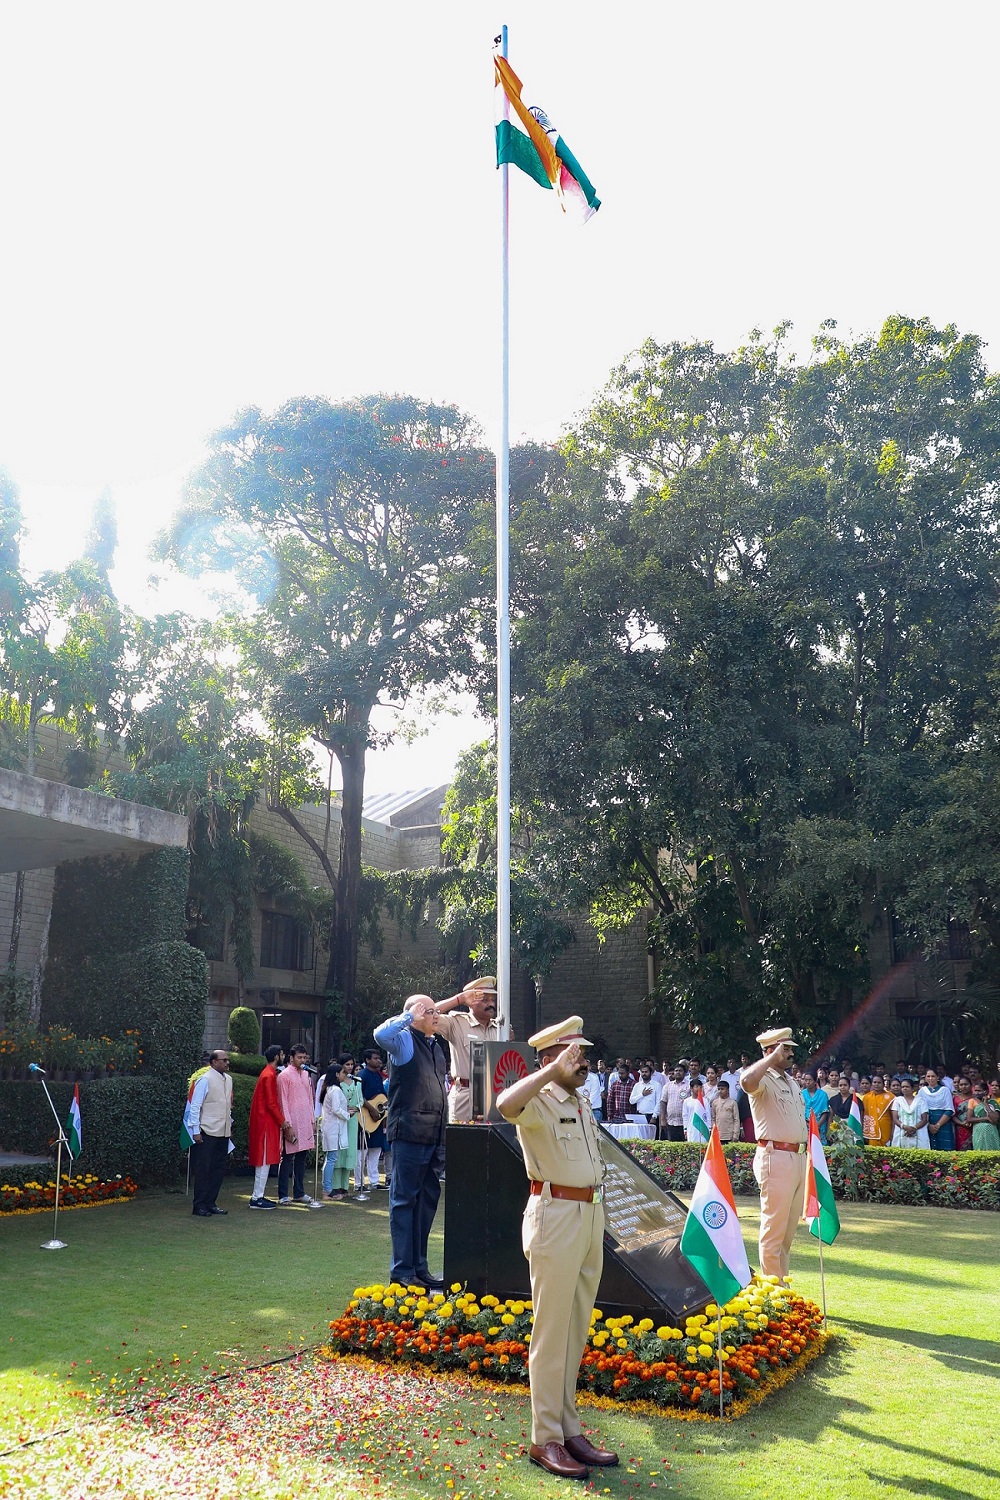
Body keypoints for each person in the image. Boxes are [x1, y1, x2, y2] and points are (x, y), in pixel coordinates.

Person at [497, 1016, 618, 1481]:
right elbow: (505, 1104)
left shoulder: (579, 1101)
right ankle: (543, 1436)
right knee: (551, 1333)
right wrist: (549, 1071)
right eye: (574, 1054)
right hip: (555, 1216)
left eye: (583, 1054)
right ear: (550, 1058)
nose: (583, 1061)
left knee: (575, 1328)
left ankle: (568, 1427)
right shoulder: (540, 1099)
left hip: (588, 1216)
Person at [373, 994, 448, 1290]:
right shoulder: (403, 1041)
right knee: (404, 1202)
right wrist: (408, 1016)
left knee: (426, 1203)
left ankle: (420, 1267)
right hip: (409, 1132)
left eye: (435, 1011)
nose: (435, 1015)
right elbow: (380, 1034)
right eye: (429, 1011)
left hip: (434, 1134)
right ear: (415, 1014)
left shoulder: (435, 1046)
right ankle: (402, 1270)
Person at [741, 1027, 807, 1282]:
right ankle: (772, 1289)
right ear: (770, 1051)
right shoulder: (764, 1078)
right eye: (785, 1048)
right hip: (776, 1157)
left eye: (791, 1048)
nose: (791, 1053)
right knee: (774, 1229)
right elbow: (747, 1082)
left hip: (798, 1158)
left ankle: (783, 1285)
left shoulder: (790, 1081)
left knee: (788, 1232)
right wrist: (770, 1057)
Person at [434, 975, 502, 1122]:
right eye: (485, 1000)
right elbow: (426, 1015)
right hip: (466, 1094)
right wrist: (459, 999)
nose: (491, 1004)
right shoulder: (456, 1023)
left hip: (496, 1094)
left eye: (492, 999)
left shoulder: (501, 1029)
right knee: (463, 1141)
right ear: (470, 1002)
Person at [187, 1050, 233, 1217]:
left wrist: (229, 1126)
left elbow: (227, 1106)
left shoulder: (229, 1080)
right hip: (207, 1131)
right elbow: (195, 1106)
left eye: (228, 1060)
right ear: (214, 1062)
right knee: (203, 1169)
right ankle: (199, 1205)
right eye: (224, 1060)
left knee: (218, 1169)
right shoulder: (204, 1080)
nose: (227, 1063)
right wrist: (195, 1130)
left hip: (223, 1131)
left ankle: (211, 1202)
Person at [277, 1045, 321, 1207]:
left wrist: (312, 1120)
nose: (302, 1061)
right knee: (288, 1158)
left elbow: (310, 1100)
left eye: (304, 1058)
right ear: (291, 1058)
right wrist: (287, 1125)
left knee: (302, 1158)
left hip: (305, 1122)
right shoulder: (284, 1076)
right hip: (292, 1123)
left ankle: (299, 1192)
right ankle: (283, 1194)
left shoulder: (307, 1076)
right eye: (299, 1057)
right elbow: (283, 1101)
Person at [247, 1044, 288, 1209]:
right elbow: (271, 1103)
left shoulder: (268, 1073)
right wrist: (282, 1121)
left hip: (264, 1122)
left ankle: (259, 1195)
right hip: (265, 1123)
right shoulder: (269, 1075)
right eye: (282, 1054)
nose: (283, 1056)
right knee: (263, 1162)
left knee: (264, 1161)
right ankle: (257, 1197)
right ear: (277, 1056)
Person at [357, 1047, 388, 1191]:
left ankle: (374, 1181)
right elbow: (359, 1097)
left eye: (379, 1058)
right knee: (361, 1152)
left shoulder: (377, 1076)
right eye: (375, 1058)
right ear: (367, 1060)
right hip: (364, 1118)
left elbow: (382, 1098)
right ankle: (359, 1183)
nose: (379, 1060)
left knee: (375, 1150)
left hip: (377, 1121)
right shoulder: (362, 1075)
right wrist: (372, 1110)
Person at [320, 1061, 352, 1198]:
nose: (345, 1074)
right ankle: (327, 1188)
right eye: (343, 1072)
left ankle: (327, 1187)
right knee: (331, 1158)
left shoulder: (330, 1088)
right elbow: (336, 1109)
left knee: (331, 1158)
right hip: (333, 1127)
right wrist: (348, 1114)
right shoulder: (336, 1089)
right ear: (337, 1074)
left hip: (331, 1126)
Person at [917, 1068, 955, 1150]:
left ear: (938, 1077)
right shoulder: (921, 1091)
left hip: (943, 1124)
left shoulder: (945, 1090)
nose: (930, 1078)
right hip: (927, 1123)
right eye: (928, 1076)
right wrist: (929, 1125)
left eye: (933, 1076)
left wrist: (937, 1125)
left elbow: (949, 1110)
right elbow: (919, 1110)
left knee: (945, 1149)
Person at [890, 1078, 929, 1148]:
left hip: (918, 1131)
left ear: (912, 1088)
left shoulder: (921, 1101)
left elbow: (924, 1119)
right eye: (903, 1087)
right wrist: (905, 1127)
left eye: (907, 1086)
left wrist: (914, 1128)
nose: (904, 1088)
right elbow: (895, 1119)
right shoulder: (897, 1101)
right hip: (901, 1132)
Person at [658, 1065, 686, 1141]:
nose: (678, 1072)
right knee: (673, 1145)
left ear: (684, 1073)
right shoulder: (667, 1086)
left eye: (680, 1071)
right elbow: (663, 1102)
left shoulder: (689, 1086)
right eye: (676, 1071)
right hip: (671, 1122)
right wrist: (663, 1119)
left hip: (685, 1122)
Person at [800, 1072, 830, 1144]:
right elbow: (799, 1111)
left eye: (810, 1080)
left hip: (820, 1125)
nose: (807, 1082)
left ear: (815, 1081)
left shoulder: (823, 1094)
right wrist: (807, 1124)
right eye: (806, 1080)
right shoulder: (801, 1094)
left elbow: (825, 1112)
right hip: (804, 1125)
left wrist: (817, 1125)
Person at [968, 1082, 1000, 1149]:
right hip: (978, 1131)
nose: (976, 1093)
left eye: (979, 1091)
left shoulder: (993, 1102)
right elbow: (969, 1119)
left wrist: (986, 1104)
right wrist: (986, 1118)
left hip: (991, 1131)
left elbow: (995, 1119)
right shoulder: (972, 1101)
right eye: (975, 1090)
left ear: (985, 1092)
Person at [578, 1057, 604, 1122]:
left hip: (594, 1111)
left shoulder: (594, 1078)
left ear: (589, 1067)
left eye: (586, 1066)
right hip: (580, 1110)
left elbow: (592, 1098)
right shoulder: (576, 1078)